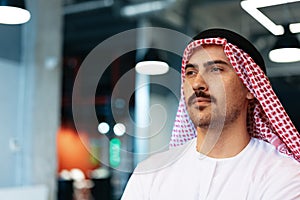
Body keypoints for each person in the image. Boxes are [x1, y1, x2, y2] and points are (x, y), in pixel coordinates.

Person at [121, 28, 300, 200]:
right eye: (190, 72)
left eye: (216, 69)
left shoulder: (282, 173)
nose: (197, 83)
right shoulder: (151, 172)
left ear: (250, 87)